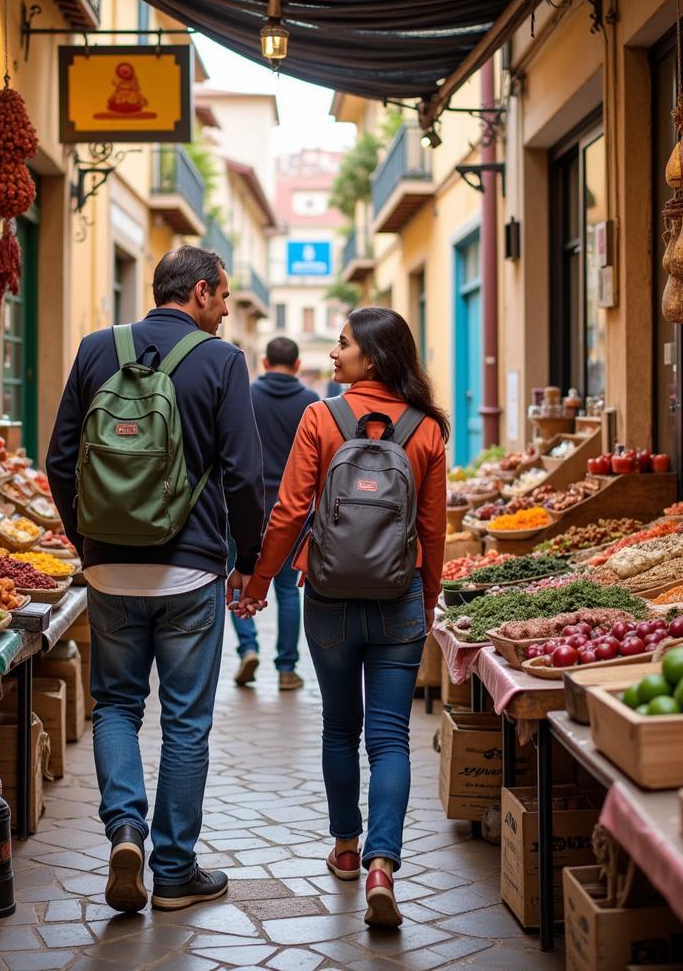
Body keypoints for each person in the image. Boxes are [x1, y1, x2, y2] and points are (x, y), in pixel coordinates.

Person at [46, 245, 265, 915]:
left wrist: (86, 540)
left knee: (114, 705)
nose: (226, 311)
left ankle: (124, 831)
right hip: (190, 569)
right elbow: (245, 475)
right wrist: (248, 558)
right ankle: (173, 872)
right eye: (223, 298)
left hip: (109, 566)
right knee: (186, 722)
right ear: (200, 292)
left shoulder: (93, 348)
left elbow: (59, 458)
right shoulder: (221, 361)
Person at [233, 306, 447, 928]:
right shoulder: (428, 429)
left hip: (326, 598)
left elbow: (289, 510)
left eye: (343, 343)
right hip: (397, 597)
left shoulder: (321, 418)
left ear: (371, 357)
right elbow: (432, 530)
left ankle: (346, 848)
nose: (332, 353)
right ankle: (384, 864)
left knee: (338, 729)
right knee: (390, 738)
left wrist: (259, 582)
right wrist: (425, 600)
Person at [230, 336, 318, 691]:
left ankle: (248, 648)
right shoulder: (311, 403)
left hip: (247, 504)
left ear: (264, 362)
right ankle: (286, 668)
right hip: (292, 508)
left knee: (240, 575)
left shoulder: (247, 396)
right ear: (297, 365)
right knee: (285, 589)